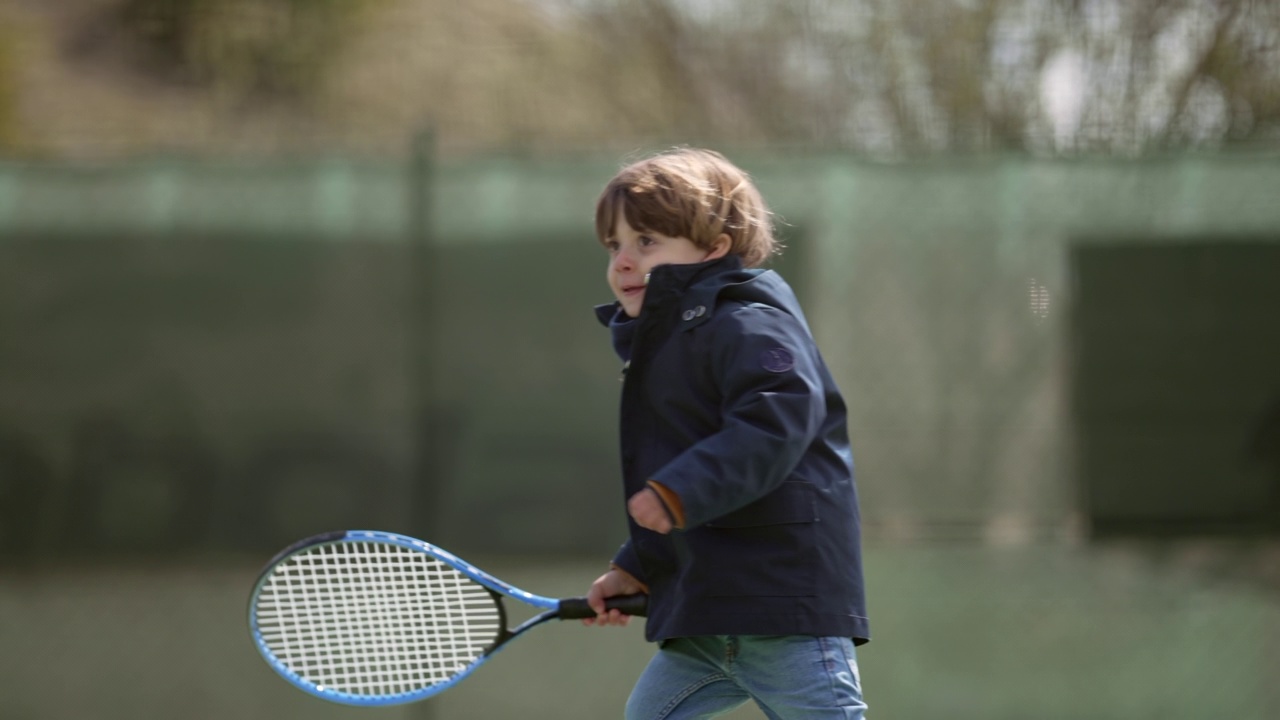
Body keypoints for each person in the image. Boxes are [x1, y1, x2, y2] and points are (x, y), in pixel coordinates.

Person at [582, 147, 871, 720]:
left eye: (647, 242)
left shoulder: (746, 321)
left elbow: (777, 419)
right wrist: (635, 566)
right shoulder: (666, 348)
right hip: (705, 620)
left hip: (781, 610)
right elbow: (683, 469)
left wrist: (677, 492)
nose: (623, 261)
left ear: (714, 248)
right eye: (615, 245)